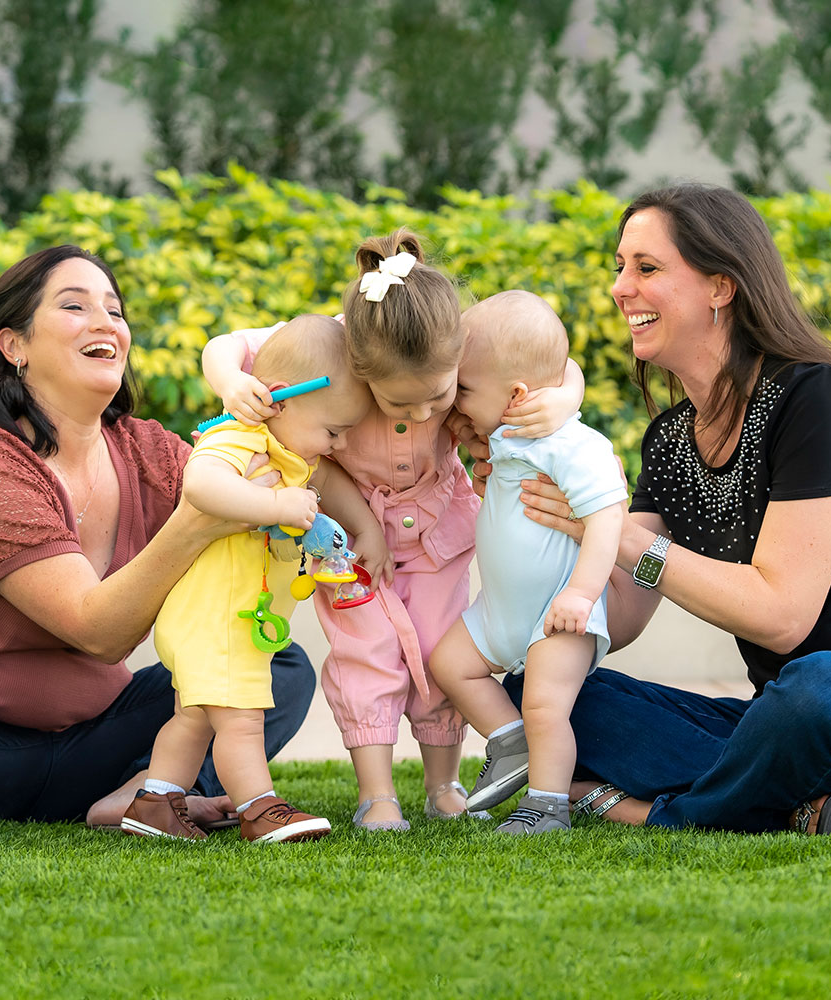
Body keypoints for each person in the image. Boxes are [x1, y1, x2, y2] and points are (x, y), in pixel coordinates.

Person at [0, 245, 317, 867]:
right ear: (14, 345)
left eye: (115, 311)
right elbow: (93, 630)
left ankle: (148, 795)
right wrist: (195, 524)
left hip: (89, 748)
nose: (105, 323)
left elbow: (285, 457)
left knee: (277, 663)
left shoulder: (150, 452)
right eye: (74, 306)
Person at [499, 183, 831, 834]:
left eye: (647, 268)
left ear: (721, 286)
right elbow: (621, 615)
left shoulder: (818, 399)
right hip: (776, 717)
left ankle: (652, 813)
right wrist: (530, 502)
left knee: (825, 684)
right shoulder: (669, 440)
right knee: (543, 689)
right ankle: (800, 801)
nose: (620, 288)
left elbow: (782, 618)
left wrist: (618, 537)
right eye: (619, 268)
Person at [203, 231, 585, 829]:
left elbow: (551, 359)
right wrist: (230, 383)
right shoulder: (335, 341)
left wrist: (566, 398)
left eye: (438, 396)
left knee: (439, 653)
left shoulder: (458, 332)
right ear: (362, 368)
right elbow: (228, 346)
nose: (423, 415)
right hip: (349, 544)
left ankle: (443, 784)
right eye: (399, 404)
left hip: (440, 533)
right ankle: (376, 794)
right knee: (367, 655)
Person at [120, 315, 375, 843]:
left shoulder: (291, 454)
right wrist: (276, 503)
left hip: (219, 618)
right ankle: (260, 810)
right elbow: (203, 484)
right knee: (242, 721)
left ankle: (153, 804)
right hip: (218, 616)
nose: (341, 446)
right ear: (280, 400)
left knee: (193, 718)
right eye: (334, 432)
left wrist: (368, 528)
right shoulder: (239, 438)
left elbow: (329, 479)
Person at [430, 291, 627, 835]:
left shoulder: (571, 443)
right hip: (499, 612)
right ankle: (509, 740)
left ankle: (547, 805)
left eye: (463, 389)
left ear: (516, 394)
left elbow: (608, 517)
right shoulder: (502, 436)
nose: (454, 401)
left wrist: (581, 595)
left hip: (557, 614)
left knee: (545, 708)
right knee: (449, 664)